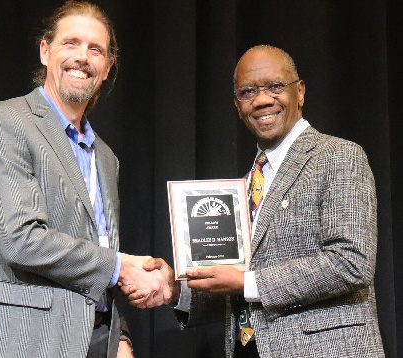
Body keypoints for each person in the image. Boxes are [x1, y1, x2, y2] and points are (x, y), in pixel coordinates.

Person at [128, 45, 385, 357]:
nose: (262, 99)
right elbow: (239, 290)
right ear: (238, 105)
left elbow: (351, 263)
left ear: (300, 92)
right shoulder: (249, 183)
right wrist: (178, 289)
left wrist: (246, 282)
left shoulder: (338, 156)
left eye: (275, 87)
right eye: (248, 91)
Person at [0, 2, 170, 358]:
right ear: (45, 51)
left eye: (96, 50)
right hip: (23, 341)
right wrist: (122, 267)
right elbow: (20, 239)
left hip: (98, 342)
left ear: (107, 68)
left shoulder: (105, 157)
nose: (83, 58)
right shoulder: (3, 122)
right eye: (70, 43)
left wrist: (120, 336)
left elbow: (95, 257)